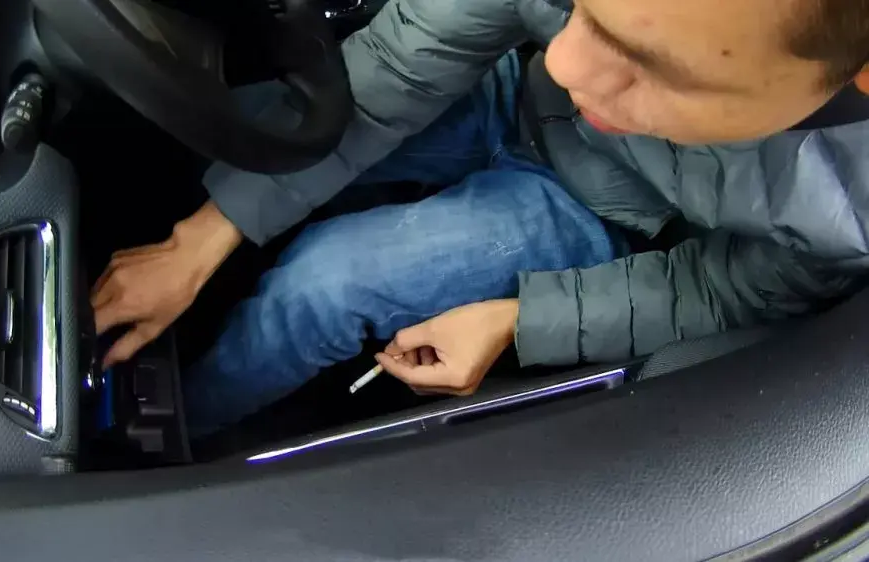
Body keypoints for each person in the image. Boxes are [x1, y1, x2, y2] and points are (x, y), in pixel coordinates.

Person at [92, 0, 869, 436]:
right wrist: (200, 237)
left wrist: (516, 322)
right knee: (251, 125)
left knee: (326, 285)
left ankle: (154, 434)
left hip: (599, 211)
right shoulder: (567, 64)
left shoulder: (843, 210)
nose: (566, 59)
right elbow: (407, 59)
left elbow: (717, 292)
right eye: (584, 9)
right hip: (508, 95)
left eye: (657, 68)